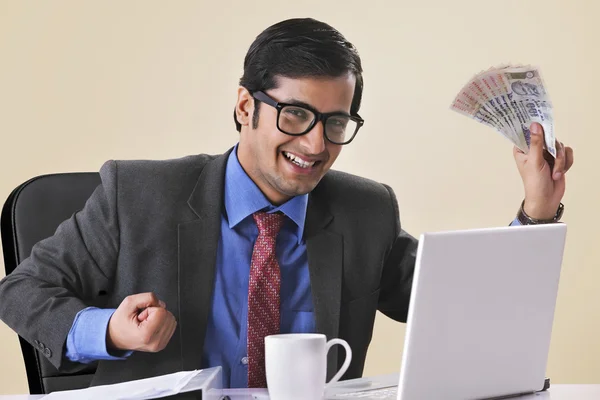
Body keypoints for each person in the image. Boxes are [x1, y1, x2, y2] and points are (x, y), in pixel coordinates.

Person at [0, 18, 574, 390]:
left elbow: (462, 302)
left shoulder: (364, 211)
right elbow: (22, 291)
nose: (316, 144)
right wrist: (111, 332)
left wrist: (536, 213)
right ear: (246, 106)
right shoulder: (138, 194)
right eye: (295, 115)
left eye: (336, 122)